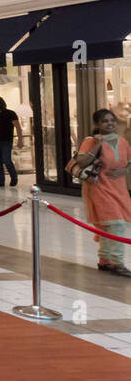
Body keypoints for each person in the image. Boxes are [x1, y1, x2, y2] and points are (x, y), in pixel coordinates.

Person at [67, 108, 131, 277]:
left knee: (110, 226)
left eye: (112, 120)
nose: (110, 124)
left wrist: (123, 171)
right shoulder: (91, 141)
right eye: (105, 121)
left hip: (119, 189)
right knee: (115, 224)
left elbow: (129, 162)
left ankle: (104, 261)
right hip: (99, 189)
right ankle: (118, 263)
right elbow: (81, 161)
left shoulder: (123, 142)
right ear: (97, 124)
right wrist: (97, 144)